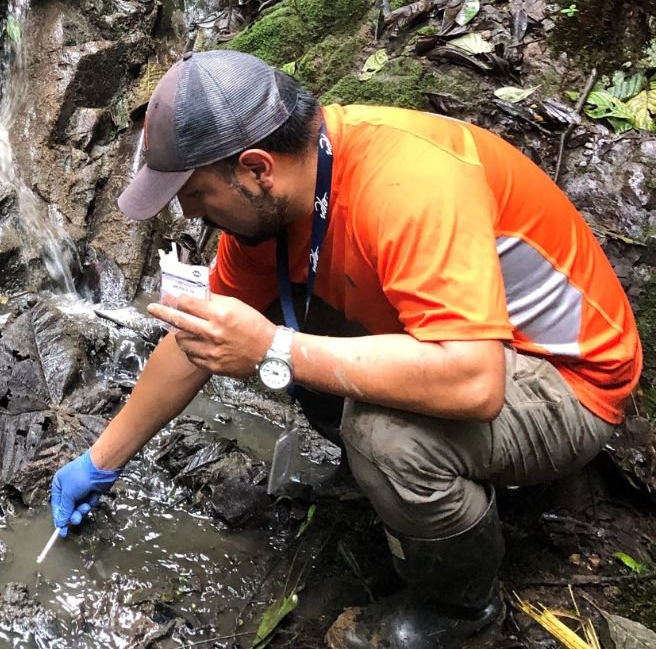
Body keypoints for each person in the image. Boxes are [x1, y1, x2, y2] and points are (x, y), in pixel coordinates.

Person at [48, 49, 641, 649]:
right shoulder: (272, 208)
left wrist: (274, 347)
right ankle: (410, 492)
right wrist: (102, 460)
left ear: (256, 168)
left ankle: (460, 609)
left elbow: (474, 383)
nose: (187, 213)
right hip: (464, 348)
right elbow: (197, 342)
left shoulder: (407, 183)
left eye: (196, 194)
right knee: (288, 332)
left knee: (383, 435)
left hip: (566, 378)